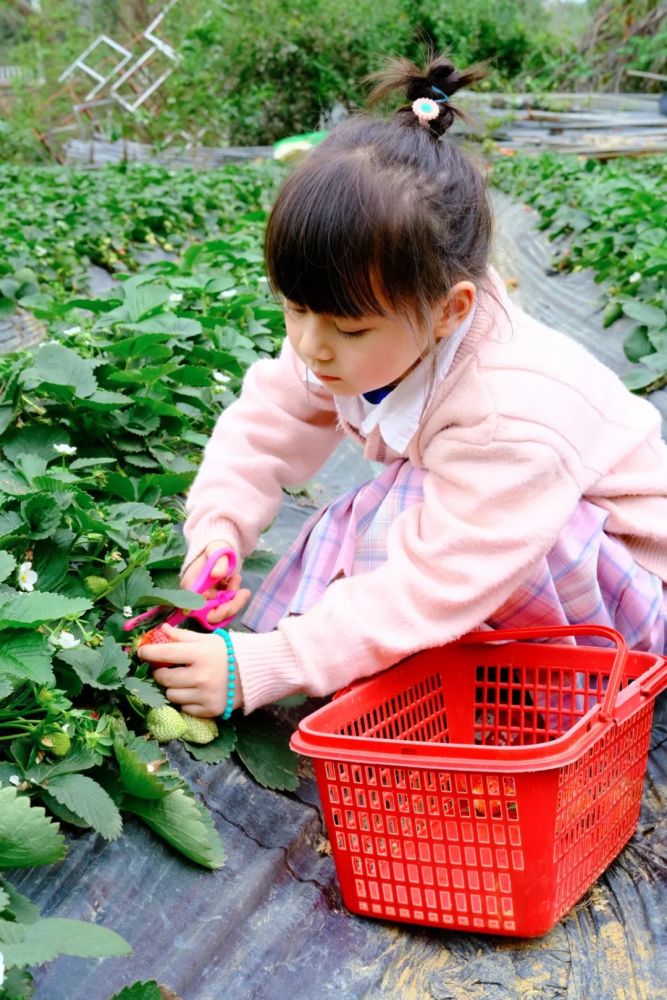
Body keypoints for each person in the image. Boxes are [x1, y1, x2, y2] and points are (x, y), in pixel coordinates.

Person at [138, 55, 667, 720]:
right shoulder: (339, 332)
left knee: (405, 515)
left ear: (449, 309)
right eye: (295, 309)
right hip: (510, 540)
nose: (311, 345)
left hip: (625, 593)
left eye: (349, 330)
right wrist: (218, 534)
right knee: (380, 513)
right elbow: (261, 429)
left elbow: (438, 576)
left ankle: (550, 692)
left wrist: (271, 665)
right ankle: (434, 657)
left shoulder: (510, 406)